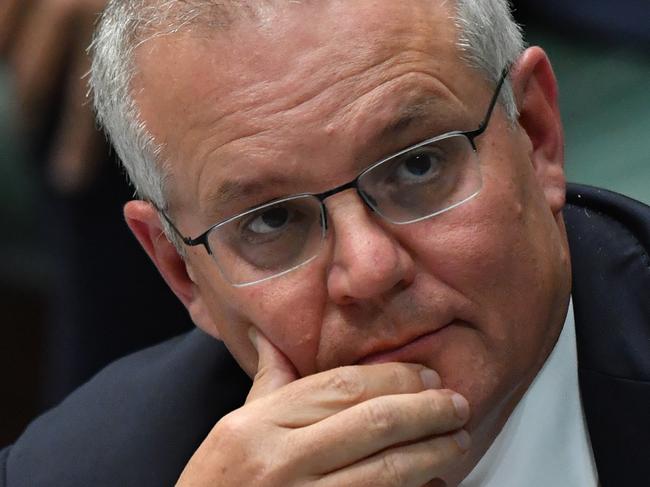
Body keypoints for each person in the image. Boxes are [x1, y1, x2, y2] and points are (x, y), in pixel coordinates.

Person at [2, 0, 649, 486]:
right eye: (273, 221)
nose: (368, 269)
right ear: (182, 272)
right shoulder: (75, 468)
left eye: (418, 166)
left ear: (536, 137)